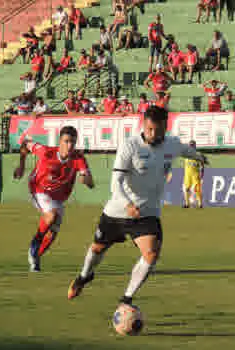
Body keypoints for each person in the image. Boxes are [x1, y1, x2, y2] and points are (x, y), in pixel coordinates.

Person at [67, 106, 208, 306]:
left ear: (165, 128)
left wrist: (200, 157)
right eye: (150, 129)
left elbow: (185, 150)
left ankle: (126, 299)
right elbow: (116, 183)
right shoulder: (130, 145)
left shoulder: (171, 144)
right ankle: (84, 276)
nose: (153, 134)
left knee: (151, 254)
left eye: (158, 131)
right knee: (97, 248)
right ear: (144, 125)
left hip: (147, 212)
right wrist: (127, 204)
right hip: (118, 210)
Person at [14, 126, 95, 272]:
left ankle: (35, 258)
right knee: (51, 216)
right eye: (66, 141)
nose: (69, 145)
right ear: (60, 141)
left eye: (73, 142)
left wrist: (86, 179)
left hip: (58, 197)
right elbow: (26, 143)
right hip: (39, 189)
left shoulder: (78, 158)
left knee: (53, 232)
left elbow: (90, 183)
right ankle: (35, 242)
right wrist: (21, 166)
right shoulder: (46, 152)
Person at [183, 140, 205, 208]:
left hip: (195, 174)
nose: (191, 147)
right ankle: (187, 204)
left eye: (192, 145)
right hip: (187, 175)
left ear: (195, 146)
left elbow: (202, 165)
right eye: (190, 145)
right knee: (186, 188)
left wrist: (201, 174)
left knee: (197, 189)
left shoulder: (198, 154)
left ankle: (200, 204)